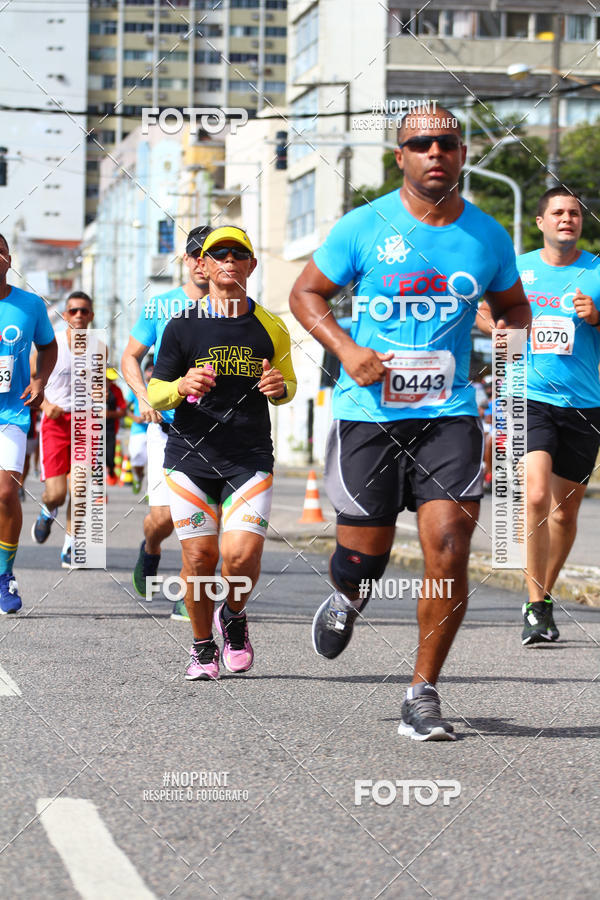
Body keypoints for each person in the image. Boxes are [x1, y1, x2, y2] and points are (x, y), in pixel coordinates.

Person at [289, 108, 531, 741]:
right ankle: (346, 597)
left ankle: (422, 692)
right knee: (362, 560)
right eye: (420, 144)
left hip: (448, 413)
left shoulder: (487, 236)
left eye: (446, 143)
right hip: (367, 414)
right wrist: (345, 350)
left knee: (449, 549)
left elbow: (513, 307)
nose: (434, 153)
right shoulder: (363, 226)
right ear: (401, 156)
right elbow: (304, 294)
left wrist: (503, 330)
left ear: (461, 153)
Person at [147, 225, 296, 681]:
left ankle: (233, 615)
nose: (229, 260)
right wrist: (179, 386)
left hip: (248, 455)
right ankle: (201, 647)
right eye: (219, 253)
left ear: (250, 265)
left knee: (241, 556)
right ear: (204, 265)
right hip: (190, 457)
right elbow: (155, 392)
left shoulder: (271, 325)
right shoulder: (181, 326)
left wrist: (279, 388)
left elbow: (287, 384)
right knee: (198, 559)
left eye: (239, 253)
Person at [478, 188, 600, 646]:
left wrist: (598, 317)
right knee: (533, 497)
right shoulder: (519, 270)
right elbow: (484, 313)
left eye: (574, 213)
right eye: (558, 213)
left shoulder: (596, 272)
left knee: (565, 514)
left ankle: (544, 597)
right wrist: (501, 329)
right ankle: (534, 604)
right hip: (527, 395)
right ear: (540, 221)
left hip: (585, 404)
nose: (567, 219)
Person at [121, 225, 213, 619]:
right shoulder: (161, 306)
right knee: (163, 520)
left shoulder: (238, 309)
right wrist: (144, 398)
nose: (200, 263)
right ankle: (151, 548)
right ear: (185, 259)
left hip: (216, 429)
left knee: (204, 518)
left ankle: (188, 591)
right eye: (194, 254)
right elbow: (129, 357)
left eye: (208, 255)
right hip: (168, 427)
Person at [0, 233, 57, 612]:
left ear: (8, 257)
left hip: (11, 414)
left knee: (5, 493)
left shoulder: (30, 304)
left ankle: (4, 576)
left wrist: (39, 380)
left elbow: (49, 347)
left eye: (0, 250)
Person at [31, 292, 95, 568]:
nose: (78, 315)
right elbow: (30, 380)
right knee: (56, 493)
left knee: (80, 487)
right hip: (55, 423)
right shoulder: (51, 344)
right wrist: (45, 405)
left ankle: (71, 545)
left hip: (84, 423)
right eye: (73, 311)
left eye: (83, 311)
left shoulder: (99, 348)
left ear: (91, 315)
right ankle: (48, 510)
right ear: (65, 315)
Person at [126, 360, 153, 493]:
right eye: (149, 370)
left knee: (154, 462)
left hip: (155, 428)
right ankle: (138, 476)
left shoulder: (158, 387)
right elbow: (124, 407)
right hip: (138, 429)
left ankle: (150, 491)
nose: (152, 372)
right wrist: (134, 417)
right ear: (144, 372)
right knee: (136, 456)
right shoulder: (138, 388)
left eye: (154, 369)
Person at [106, 368, 127, 484]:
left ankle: (111, 471)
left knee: (110, 457)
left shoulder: (116, 391)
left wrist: (109, 414)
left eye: (110, 380)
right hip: (93, 431)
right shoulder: (91, 388)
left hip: (110, 430)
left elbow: (123, 411)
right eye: (107, 379)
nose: (109, 382)